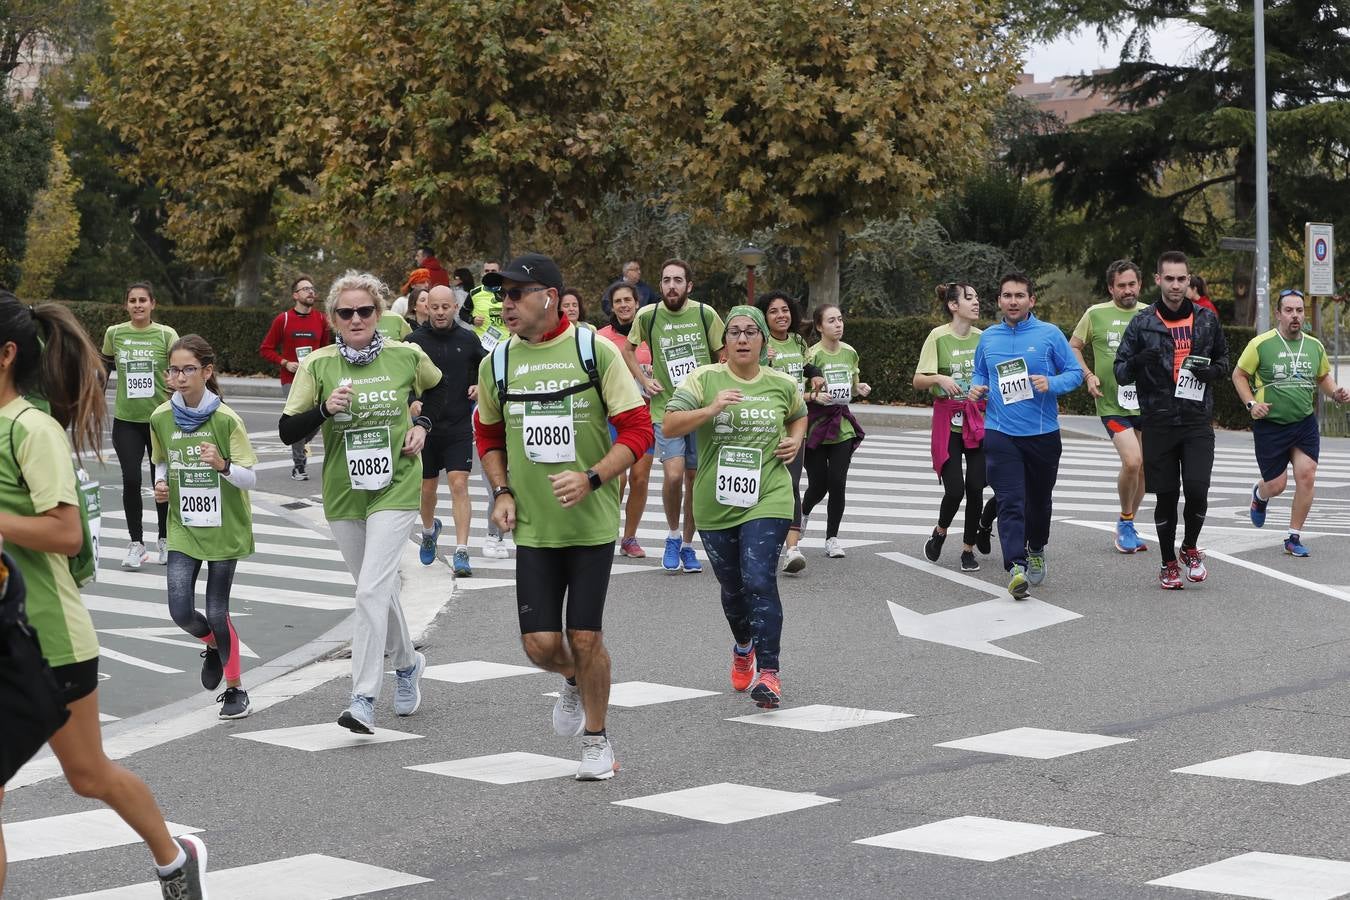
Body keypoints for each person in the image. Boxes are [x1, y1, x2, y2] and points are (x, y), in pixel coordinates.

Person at [0, 293, 208, 898]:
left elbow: (66, 533)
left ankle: (173, 857)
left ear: (7, 354)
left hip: (49, 640)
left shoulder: (30, 430)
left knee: (88, 775)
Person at [473, 253, 652, 780]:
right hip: (533, 524)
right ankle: (577, 680)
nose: (504, 304)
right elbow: (487, 434)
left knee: (586, 636)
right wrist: (500, 491)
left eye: (514, 294)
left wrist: (593, 476)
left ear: (547, 295)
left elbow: (639, 430)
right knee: (540, 646)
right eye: (500, 295)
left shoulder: (593, 351)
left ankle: (597, 741)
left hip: (591, 521)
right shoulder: (498, 362)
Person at [279, 271, 442, 732]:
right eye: (346, 312)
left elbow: (440, 390)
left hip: (396, 483)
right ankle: (408, 663)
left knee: (370, 589)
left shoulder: (406, 355)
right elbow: (287, 430)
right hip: (344, 490)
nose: (356, 319)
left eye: (365, 311)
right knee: (377, 591)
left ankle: (363, 697)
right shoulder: (319, 366)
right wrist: (325, 409)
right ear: (334, 317)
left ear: (379, 313)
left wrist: (423, 424)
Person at [662, 305, 806, 708]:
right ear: (724, 343)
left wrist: (795, 439)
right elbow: (670, 424)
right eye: (734, 332)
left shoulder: (781, 383)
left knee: (760, 578)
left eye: (750, 332)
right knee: (732, 587)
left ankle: (770, 673)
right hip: (716, 499)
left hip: (769, 494)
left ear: (762, 341)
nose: (742, 338)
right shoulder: (703, 379)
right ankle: (744, 646)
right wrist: (709, 410)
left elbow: (799, 415)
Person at [150, 335, 257, 719]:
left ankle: (235, 689)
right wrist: (160, 484)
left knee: (216, 609)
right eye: (174, 369)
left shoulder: (226, 419)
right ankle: (213, 645)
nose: (180, 377)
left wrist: (223, 466)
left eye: (189, 369)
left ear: (207, 372)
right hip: (183, 526)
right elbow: (161, 460)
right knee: (180, 611)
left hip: (224, 528)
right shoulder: (160, 417)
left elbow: (250, 478)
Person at [1114, 251, 1228, 590]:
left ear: (1189, 280)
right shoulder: (1143, 323)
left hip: (1196, 420)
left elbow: (1224, 359)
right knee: (1165, 495)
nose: (1176, 285)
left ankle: (1189, 548)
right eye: (1170, 278)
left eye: (1182, 279)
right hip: (1159, 421)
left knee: (1197, 489)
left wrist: (1212, 372)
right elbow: (1120, 372)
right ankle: (1167, 562)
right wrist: (1137, 361)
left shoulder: (1206, 319)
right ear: (1158, 280)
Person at [969, 273, 1083, 599]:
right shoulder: (989, 338)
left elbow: (1074, 373)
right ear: (1000, 301)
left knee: (1039, 501)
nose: (1013, 301)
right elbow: (980, 371)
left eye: (1020, 295)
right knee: (1010, 501)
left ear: (1032, 300)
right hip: (1000, 432)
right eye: (1007, 296)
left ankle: (1036, 547)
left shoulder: (1049, 335)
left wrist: (1052, 383)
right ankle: (1015, 567)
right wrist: (975, 388)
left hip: (1043, 434)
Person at [623, 259, 726, 574]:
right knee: (674, 475)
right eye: (666, 280)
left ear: (689, 285)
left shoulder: (705, 314)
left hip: (700, 411)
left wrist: (713, 385)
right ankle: (671, 534)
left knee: (695, 480)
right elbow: (628, 350)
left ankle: (687, 545)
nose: (671, 286)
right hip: (665, 409)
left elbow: (723, 354)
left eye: (678, 280)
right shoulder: (648, 315)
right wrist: (644, 380)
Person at [1234, 289, 1349, 557]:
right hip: (1271, 425)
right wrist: (1252, 404)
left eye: (1299, 310)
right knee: (1277, 485)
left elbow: (1322, 377)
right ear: (1278, 314)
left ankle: (1293, 536)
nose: (1295, 316)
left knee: (1307, 475)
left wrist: (1335, 393)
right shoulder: (1261, 344)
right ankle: (1260, 495)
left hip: (1303, 423)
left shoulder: (1314, 345)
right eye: (1289, 310)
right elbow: (1239, 375)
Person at [914, 283, 996, 572]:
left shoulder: (984, 338)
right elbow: (918, 380)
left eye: (977, 297)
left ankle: (968, 549)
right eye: (969, 298)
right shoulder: (938, 337)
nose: (976, 303)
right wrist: (939, 379)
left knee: (976, 487)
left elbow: (994, 376)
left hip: (977, 421)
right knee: (955, 490)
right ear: (953, 305)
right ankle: (939, 532)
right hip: (948, 423)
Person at [407, 285, 487, 577]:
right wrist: (412, 401)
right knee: (427, 489)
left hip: (457, 426)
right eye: (435, 307)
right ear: (426, 308)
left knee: (459, 485)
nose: (440, 312)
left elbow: (487, 368)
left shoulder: (468, 339)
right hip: (424, 430)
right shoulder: (412, 342)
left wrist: (481, 386)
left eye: (445, 307)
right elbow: (401, 380)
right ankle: (429, 531)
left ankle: (462, 552)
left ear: (455, 307)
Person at [1069, 260, 1149, 553]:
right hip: (1112, 404)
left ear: (1139, 285)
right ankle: (1126, 521)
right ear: (1110, 288)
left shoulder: (1150, 314)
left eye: (1132, 284)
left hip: (1147, 404)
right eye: (1121, 285)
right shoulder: (1096, 314)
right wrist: (1087, 375)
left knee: (1145, 471)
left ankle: (1129, 521)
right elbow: (1073, 345)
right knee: (1132, 461)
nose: (1127, 290)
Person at [102, 282, 178, 569]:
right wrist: (95, 400)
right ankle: (136, 543)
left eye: (142, 300)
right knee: (131, 480)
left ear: (153, 304)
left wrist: (175, 381)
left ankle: (165, 538)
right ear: (126, 305)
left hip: (160, 420)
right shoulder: (115, 333)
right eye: (132, 300)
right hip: (126, 421)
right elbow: (104, 368)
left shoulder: (166, 334)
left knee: (161, 482)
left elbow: (179, 367)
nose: (137, 305)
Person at [801, 304, 871, 559]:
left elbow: (849, 389)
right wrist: (814, 398)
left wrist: (858, 388)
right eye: (831, 321)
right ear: (819, 326)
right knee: (818, 485)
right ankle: (803, 514)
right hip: (815, 426)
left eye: (840, 319)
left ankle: (832, 538)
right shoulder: (811, 355)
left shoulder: (850, 352)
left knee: (838, 483)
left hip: (841, 425)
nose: (838, 325)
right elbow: (798, 392)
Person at [758, 291, 818, 574]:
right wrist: (762, 358)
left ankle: (792, 549)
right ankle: (761, 541)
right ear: (764, 317)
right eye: (773, 311)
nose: (781, 315)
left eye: (785, 310)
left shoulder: (797, 341)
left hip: (795, 425)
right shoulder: (760, 341)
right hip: (764, 427)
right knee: (764, 486)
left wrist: (816, 373)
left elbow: (806, 366)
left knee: (791, 485)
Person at [597, 281, 656, 559]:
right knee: (616, 479)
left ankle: (630, 538)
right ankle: (608, 530)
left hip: (645, 414)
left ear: (636, 303)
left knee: (640, 479)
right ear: (612, 305)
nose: (623, 305)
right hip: (612, 417)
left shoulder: (650, 335)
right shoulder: (602, 338)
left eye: (627, 300)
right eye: (618, 301)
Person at [259, 274, 332, 481]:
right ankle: (299, 466)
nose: (311, 292)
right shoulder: (283, 319)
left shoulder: (320, 319)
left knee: (315, 419)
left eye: (312, 288)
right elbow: (266, 349)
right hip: (291, 379)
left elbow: (325, 350)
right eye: (305, 289)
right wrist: (285, 363)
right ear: (295, 295)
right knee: (298, 418)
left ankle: (295, 436)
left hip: (315, 379)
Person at [468, 261, 507, 352]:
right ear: (482, 273)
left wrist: (508, 316)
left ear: (500, 272)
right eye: (487, 271)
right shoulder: (474, 293)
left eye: (493, 271)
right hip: (482, 343)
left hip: (505, 342)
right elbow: (463, 313)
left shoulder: (508, 291)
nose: (490, 274)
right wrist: (472, 320)